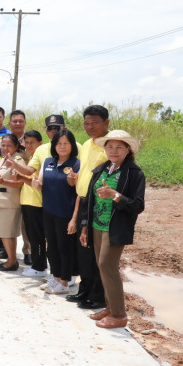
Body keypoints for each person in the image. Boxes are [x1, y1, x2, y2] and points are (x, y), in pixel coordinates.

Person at [81, 130, 145, 329]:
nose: (114, 151)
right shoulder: (101, 169)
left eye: (119, 147)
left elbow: (138, 205)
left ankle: (119, 315)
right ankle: (110, 307)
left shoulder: (134, 173)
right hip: (96, 225)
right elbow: (89, 199)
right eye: (110, 147)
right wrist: (84, 226)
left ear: (128, 150)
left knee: (108, 266)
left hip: (115, 227)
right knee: (102, 267)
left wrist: (114, 195)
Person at [69, 106, 111, 310]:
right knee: (83, 250)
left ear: (106, 123)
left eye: (95, 122)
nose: (90, 127)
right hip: (83, 200)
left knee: (96, 252)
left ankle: (98, 296)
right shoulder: (86, 144)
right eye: (86, 123)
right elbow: (84, 172)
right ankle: (84, 289)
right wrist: (75, 179)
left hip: (100, 203)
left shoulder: (110, 146)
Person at [32, 130, 80, 294]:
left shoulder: (76, 164)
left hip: (65, 213)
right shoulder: (48, 162)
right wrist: (35, 184)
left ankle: (65, 282)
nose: (62, 146)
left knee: (64, 247)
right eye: (59, 143)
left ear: (72, 145)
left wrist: (73, 181)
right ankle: (56, 277)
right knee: (51, 246)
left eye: (66, 143)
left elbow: (79, 190)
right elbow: (40, 184)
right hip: (48, 211)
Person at [0, 134, 27, 271]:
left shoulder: (18, 161)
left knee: (7, 233)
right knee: (6, 233)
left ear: (16, 146)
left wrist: (4, 182)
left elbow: (21, 182)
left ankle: (12, 262)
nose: (5, 148)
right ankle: (12, 259)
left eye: (9, 145)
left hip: (9, 203)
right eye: (3, 145)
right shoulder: (3, 159)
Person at [18, 130, 48, 278]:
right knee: (31, 236)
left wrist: (15, 167)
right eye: (27, 142)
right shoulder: (31, 157)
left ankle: (40, 267)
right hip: (27, 201)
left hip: (36, 202)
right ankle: (37, 265)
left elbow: (32, 178)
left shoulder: (42, 157)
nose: (29, 145)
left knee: (37, 236)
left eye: (32, 143)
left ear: (40, 143)